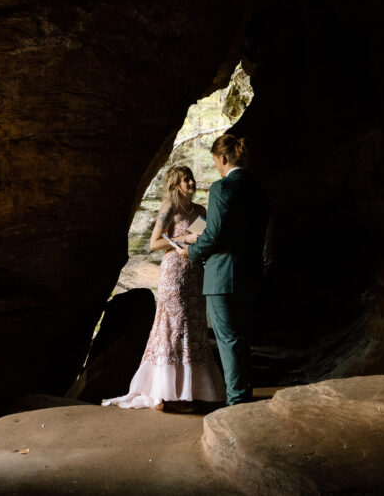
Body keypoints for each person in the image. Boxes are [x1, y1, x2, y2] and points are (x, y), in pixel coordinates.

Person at [103, 166, 225, 409]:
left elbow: (200, 240)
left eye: (192, 178)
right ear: (176, 184)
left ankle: (193, 390)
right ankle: (166, 393)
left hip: (194, 273)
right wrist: (184, 239)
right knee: (175, 326)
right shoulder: (170, 208)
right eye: (186, 179)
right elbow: (154, 243)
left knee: (194, 325)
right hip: (173, 275)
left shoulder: (200, 211)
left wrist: (199, 243)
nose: (191, 183)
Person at [180, 134, 268, 406]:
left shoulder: (222, 187)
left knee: (228, 339)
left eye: (215, 161)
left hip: (222, 274)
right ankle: (243, 394)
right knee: (242, 337)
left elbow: (214, 233)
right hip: (250, 272)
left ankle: (236, 401)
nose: (216, 166)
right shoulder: (258, 188)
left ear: (222, 157)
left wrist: (192, 251)